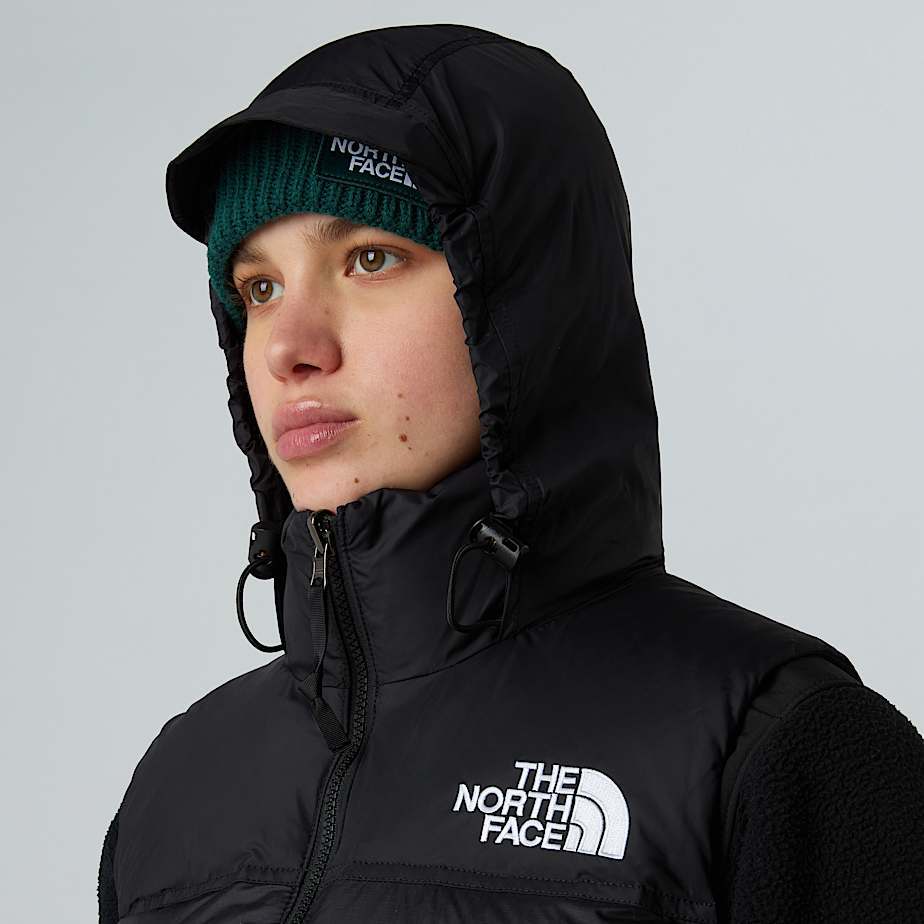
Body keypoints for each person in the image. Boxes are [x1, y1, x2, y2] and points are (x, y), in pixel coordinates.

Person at [98, 23, 924, 924]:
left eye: (370, 259)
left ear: (525, 302)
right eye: (259, 289)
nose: (288, 349)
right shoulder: (177, 794)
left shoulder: (778, 749)